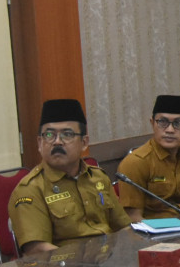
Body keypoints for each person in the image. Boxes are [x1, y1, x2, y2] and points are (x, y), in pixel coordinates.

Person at [9, 98, 130, 254]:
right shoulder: (30, 190)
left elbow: (123, 228)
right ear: (39, 143)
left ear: (84, 142)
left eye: (67, 134)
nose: (57, 142)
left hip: (109, 266)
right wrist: (85, 264)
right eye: (49, 135)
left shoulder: (98, 178)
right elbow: (37, 249)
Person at [116, 95, 180, 220]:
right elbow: (133, 218)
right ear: (152, 123)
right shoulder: (135, 163)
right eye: (162, 122)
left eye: (178, 123)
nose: (169, 130)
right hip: (153, 235)